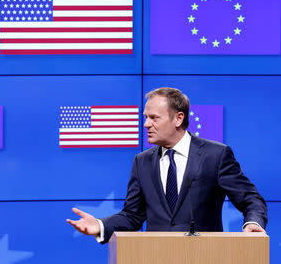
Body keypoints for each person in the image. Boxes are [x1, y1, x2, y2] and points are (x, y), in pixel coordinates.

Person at [67, 87, 267, 243]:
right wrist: (101, 226)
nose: (146, 124)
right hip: (156, 256)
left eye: (154, 118)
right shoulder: (142, 161)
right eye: (145, 117)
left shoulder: (215, 155)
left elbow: (250, 199)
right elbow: (132, 215)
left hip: (205, 255)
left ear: (178, 118)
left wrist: (253, 223)